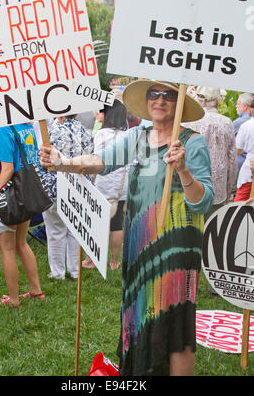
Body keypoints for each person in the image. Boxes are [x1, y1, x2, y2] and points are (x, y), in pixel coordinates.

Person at [40, 79, 214, 376]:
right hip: (139, 246)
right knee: (143, 313)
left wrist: (183, 169)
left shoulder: (192, 142)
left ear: (179, 102)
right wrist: (63, 161)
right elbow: (99, 162)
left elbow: (203, 202)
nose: (159, 100)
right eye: (154, 94)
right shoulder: (137, 136)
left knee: (175, 324)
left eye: (168, 95)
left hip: (175, 249)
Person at [0, 123, 45, 308]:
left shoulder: (1, 130)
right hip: (27, 191)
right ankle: (36, 291)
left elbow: (7, 169)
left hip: (9, 195)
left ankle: (13, 300)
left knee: (7, 248)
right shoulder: (26, 126)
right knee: (21, 243)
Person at [42, 115, 94, 281]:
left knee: (55, 231)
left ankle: (57, 273)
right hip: (80, 186)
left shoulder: (50, 133)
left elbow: (43, 162)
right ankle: (75, 270)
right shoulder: (86, 132)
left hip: (55, 186)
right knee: (75, 230)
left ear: (61, 115)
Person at [82, 99, 129, 271]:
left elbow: (97, 159)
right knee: (117, 224)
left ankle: (91, 259)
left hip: (102, 183)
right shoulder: (128, 134)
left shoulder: (102, 134)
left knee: (96, 223)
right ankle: (114, 261)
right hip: (121, 186)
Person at [184, 86, 237, 218]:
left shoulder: (189, 122)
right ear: (218, 102)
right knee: (215, 233)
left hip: (193, 186)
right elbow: (232, 160)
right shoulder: (226, 123)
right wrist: (229, 188)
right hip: (218, 188)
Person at [234, 99, 254, 202]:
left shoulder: (246, 126)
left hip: (248, 164)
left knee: (240, 200)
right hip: (249, 163)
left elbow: (237, 150)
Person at [233, 93, 254, 170]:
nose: (236, 106)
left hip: (241, 163)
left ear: (245, 106)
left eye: (238, 104)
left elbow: (235, 149)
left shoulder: (239, 123)